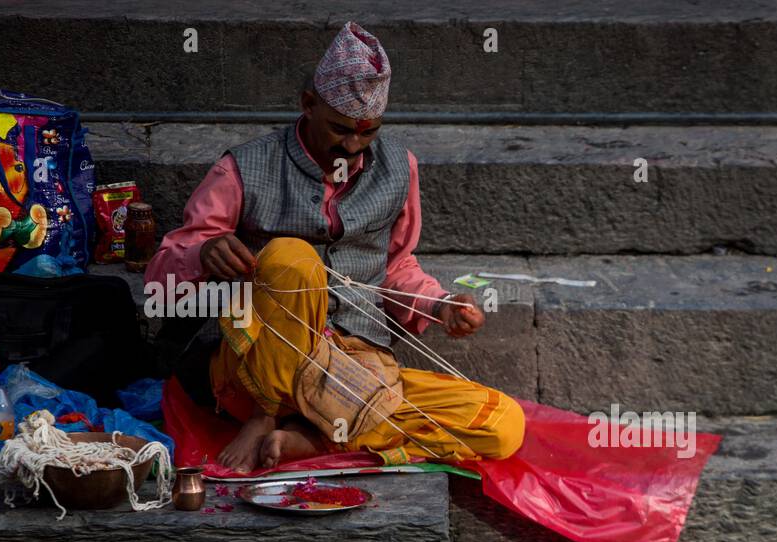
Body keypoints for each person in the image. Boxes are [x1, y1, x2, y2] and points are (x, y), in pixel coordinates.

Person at [146, 21, 525, 473]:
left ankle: (308, 437)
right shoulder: (243, 167)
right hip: (251, 363)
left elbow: (396, 266)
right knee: (291, 256)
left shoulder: (399, 168)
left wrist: (439, 306)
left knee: (502, 424)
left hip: (349, 372)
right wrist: (203, 254)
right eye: (341, 129)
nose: (353, 145)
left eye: (368, 133)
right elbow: (159, 279)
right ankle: (268, 414)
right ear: (308, 105)